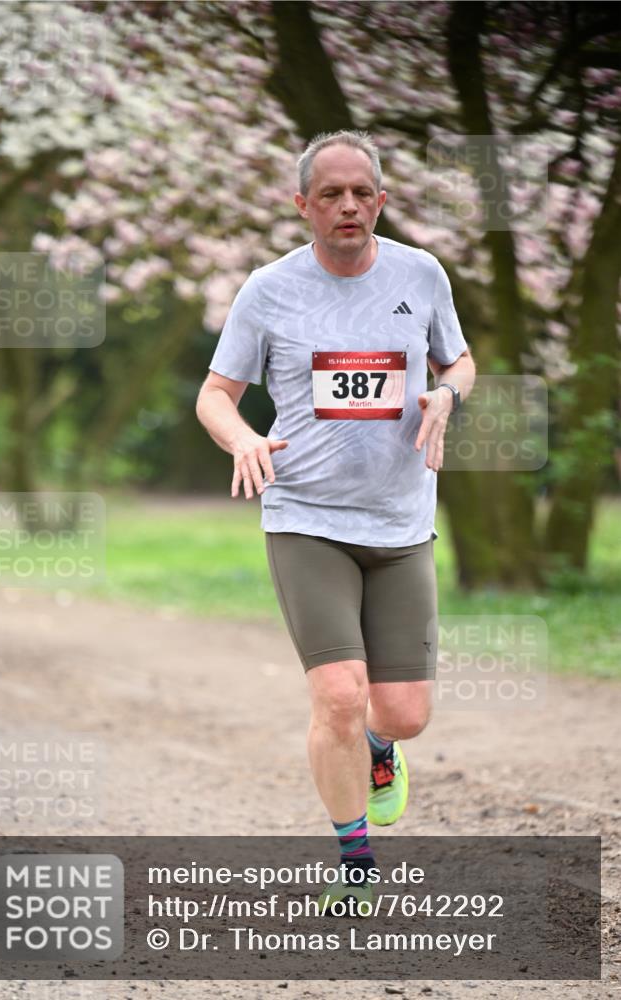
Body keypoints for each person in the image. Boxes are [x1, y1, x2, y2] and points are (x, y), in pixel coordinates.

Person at [196, 130, 476, 915]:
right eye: (330, 194)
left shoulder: (420, 274)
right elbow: (214, 394)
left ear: (381, 201)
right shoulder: (269, 289)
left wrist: (446, 394)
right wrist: (244, 436)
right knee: (339, 698)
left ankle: (382, 753)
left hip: (400, 522)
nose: (347, 205)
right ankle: (354, 861)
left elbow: (459, 360)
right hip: (306, 519)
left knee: (401, 715)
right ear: (302, 207)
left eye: (361, 193)